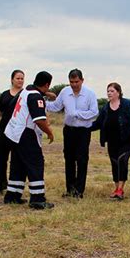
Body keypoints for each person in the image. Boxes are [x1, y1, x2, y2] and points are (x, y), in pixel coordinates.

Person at [3, 71, 55, 209]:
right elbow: (39, 120)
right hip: (25, 134)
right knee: (35, 164)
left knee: (18, 164)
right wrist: (50, 133)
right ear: (47, 84)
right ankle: (37, 198)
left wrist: (46, 94)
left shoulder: (26, 90)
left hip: (13, 133)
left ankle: (12, 195)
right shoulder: (35, 97)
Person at [45, 69, 98, 199]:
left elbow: (94, 112)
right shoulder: (65, 91)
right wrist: (40, 102)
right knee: (69, 159)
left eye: (76, 81)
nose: (74, 84)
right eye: (71, 82)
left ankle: (79, 191)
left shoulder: (90, 94)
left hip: (83, 131)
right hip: (68, 130)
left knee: (82, 160)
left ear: (82, 80)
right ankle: (70, 189)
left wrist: (77, 114)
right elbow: (56, 106)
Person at [91, 82, 130, 200]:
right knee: (114, 163)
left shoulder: (128, 105)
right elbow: (98, 123)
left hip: (127, 140)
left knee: (122, 161)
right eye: (108, 91)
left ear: (118, 92)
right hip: (112, 141)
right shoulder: (105, 108)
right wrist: (84, 128)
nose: (109, 93)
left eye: (112, 91)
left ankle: (121, 189)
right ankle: (116, 188)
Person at [0, 70, 24, 194]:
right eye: (18, 78)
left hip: (17, 131)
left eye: (22, 78)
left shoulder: (25, 95)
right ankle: (1, 184)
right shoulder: (4, 94)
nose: (20, 81)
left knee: (16, 159)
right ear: (12, 80)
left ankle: (14, 186)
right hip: (3, 130)